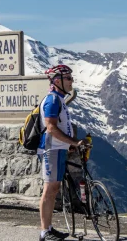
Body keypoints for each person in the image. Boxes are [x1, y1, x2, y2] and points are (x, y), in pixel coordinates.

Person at [38, 65, 89, 241]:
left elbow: (61, 127)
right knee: (49, 188)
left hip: (59, 148)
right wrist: (73, 142)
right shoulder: (52, 100)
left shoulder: (59, 100)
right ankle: (44, 232)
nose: (71, 81)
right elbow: (50, 127)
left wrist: (69, 146)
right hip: (50, 149)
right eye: (68, 78)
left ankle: (49, 227)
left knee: (54, 189)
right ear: (57, 81)